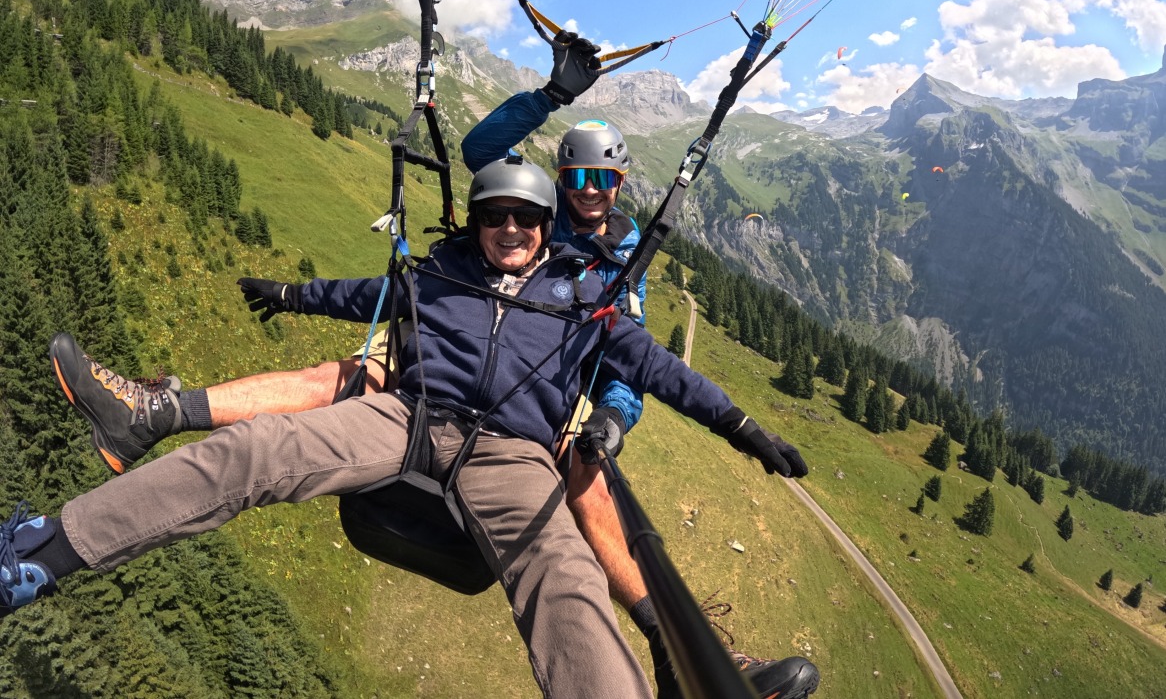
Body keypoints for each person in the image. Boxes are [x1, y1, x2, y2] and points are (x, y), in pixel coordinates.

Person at [2, 156, 810, 699]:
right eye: (495, 217)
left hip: (512, 455)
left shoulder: (583, 300)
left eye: (526, 220)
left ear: (545, 226)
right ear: (479, 222)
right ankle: (43, 552)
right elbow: (362, 296)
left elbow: (663, 371)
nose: (510, 231)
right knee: (256, 450)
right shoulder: (441, 273)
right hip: (407, 417)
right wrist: (289, 294)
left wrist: (744, 429)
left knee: (562, 574)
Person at [461, 33, 818, 698]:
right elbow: (479, 153)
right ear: (561, 178)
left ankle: (685, 653)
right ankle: (684, 652)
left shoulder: (628, 250)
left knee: (595, 480)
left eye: (605, 179)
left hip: (555, 394)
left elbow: (631, 352)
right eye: (580, 178)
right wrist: (552, 97)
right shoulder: (530, 210)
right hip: (480, 360)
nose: (591, 191)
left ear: (620, 182)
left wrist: (614, 419)